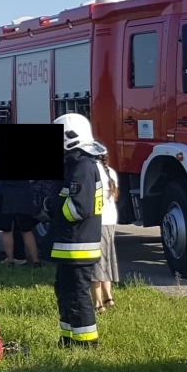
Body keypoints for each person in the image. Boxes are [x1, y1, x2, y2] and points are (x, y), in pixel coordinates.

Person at [47, 112, 106, 348]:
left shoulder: (82, 166)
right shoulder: (75, 164)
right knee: (65, 292)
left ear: (70, 138)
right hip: (69, 245)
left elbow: (78, 209)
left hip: (77, 246)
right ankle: (69, 338)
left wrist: (50, 206)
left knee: (78, 295)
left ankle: (87, 343)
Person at [0, 172, 42, 266]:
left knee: (7, 231)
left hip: (4, 198)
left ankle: (11, 261)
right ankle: (36, 261)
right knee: (27, 231)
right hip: (23, 196)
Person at [93, 154, 121, 312]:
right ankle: (108, 297)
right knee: (107, 260)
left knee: (96, 264)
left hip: (98, 221)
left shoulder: (92, 171)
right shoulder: (110, 171)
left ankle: (97, 304)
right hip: (111, 219)